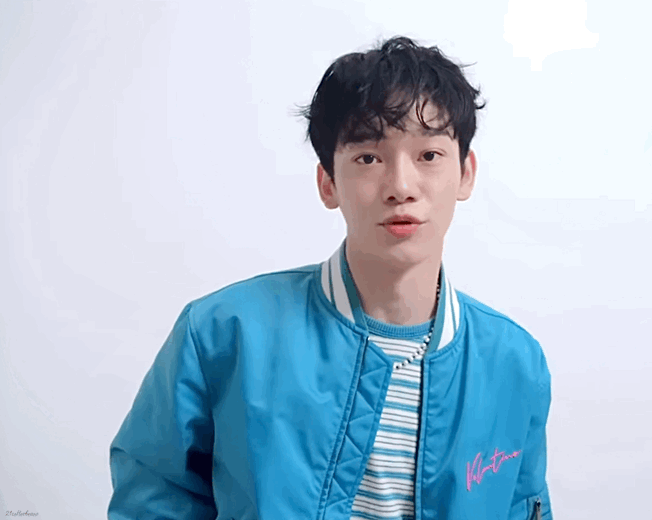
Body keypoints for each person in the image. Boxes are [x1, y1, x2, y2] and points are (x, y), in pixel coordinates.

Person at [108, 36, 552, 520]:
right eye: (368, 158)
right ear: (328, 183)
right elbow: (152, 501)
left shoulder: (515, 363)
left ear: (465, 173)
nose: (401, 187)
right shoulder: (222, 333)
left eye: (428, 156)